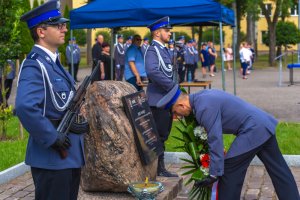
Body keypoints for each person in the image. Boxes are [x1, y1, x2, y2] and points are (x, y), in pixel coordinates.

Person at [156, 85, 300, 200]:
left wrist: (214, 173)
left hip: (253, 129)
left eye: (175, 112)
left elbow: (215, 137)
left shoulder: (203, 107)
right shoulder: (201, 97)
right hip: (262, 124)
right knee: (279, 169)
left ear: (181, 105)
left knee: (230, 168)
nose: (176, 117)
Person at [16, 1, 85, 199]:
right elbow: (24, 106)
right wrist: (52, 137)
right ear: (41, 31)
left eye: (62, 24)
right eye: (57, 25)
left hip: (67, 156)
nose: (64, 28)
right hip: (52, 157)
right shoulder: (35, 65)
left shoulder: (54, 63)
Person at [144, 16, 178, 177]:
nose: (169, 33)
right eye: (166, 30)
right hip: (157, 100)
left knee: (163, 134)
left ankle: (159, 168)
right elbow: (152, 71)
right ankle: (158, 169)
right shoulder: (152, 50)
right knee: (158, 135)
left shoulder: (163, 49)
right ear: (157, 33)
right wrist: (171, 86)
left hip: (165, 99)